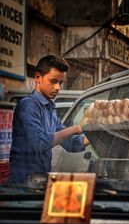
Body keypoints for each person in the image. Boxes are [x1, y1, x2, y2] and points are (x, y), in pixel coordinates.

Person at [8, 55, 89, 185]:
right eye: (53, 81)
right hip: (22, 186)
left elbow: (69, 143)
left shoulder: (49, 110)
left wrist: (92, 135)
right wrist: (76, 128)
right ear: (38, 78)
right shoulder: (28, 105)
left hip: (39, 183)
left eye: (61, 83)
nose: (58, 88)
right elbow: (40, 143)